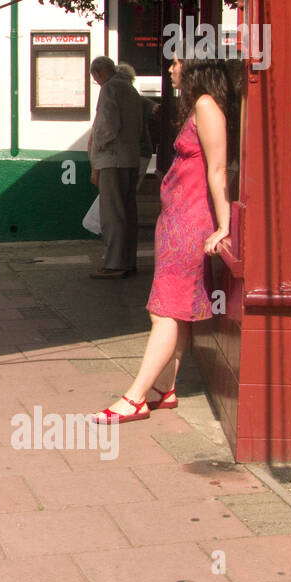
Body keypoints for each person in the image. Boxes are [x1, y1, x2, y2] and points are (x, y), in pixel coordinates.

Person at [92, 58, 232, 424]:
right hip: (178, 220)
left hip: (190, 221)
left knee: (164, 311)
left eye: (177, 60)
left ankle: (135, 397)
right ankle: (164, 388)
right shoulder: (198, 104)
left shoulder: (205, 105)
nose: (171, 68)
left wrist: (224, 224)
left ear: (196, 64)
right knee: (177, 310)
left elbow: (217, 169)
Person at [87, 55, 143, 278]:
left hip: (112, 159)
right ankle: (128, 260)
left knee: (112, 214)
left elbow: (107, 125)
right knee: (128, 212)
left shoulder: (110, 89)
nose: (97, 83)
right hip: (130, 158)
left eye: (95, 79)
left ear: (99, 73)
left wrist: (97, 150)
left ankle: (114, 263)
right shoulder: (131, 89)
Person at [118, 62, 156, 190]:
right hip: (141, 150)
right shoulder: (139, 99)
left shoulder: (131, 99)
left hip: (136, 151)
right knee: (130, 192)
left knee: (126, 191)